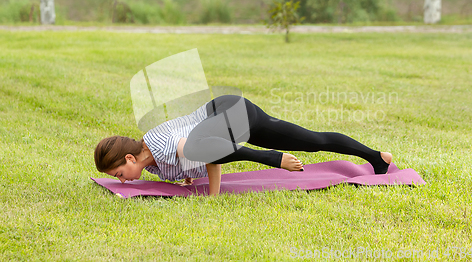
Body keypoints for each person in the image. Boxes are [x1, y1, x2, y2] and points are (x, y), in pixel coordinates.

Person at [94, 95, 392, 196]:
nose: (122, 179)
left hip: (230, 113)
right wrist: (187, 176)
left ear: (130, 157)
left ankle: (374, 158)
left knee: (307, 142)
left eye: (119, 172)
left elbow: (211, 150)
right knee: (310, 141)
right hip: (227, 115)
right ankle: (376, 158)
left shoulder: (159, 145)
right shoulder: (155, 163)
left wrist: (274, 160)